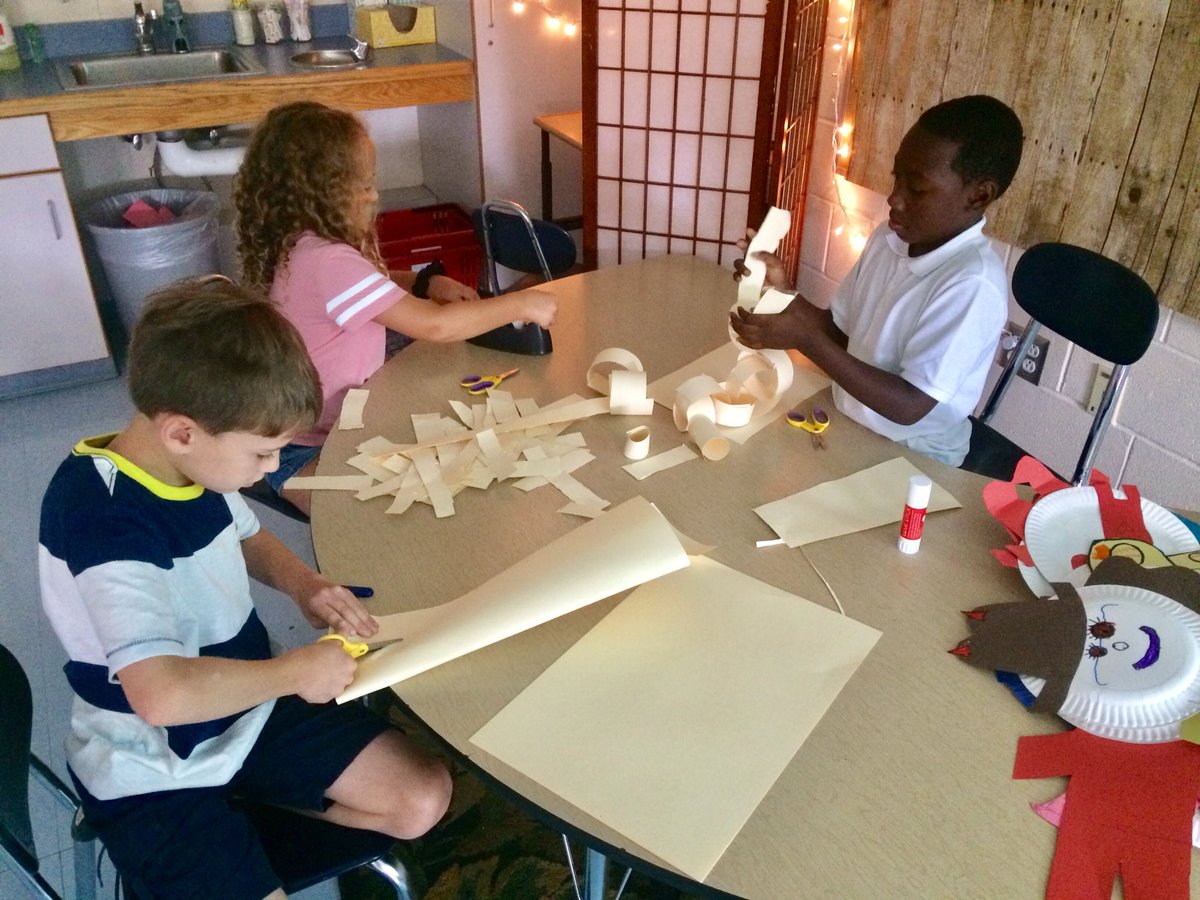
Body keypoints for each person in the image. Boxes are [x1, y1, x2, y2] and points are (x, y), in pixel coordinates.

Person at [38, 277, 452, 899]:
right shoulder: (106, 521)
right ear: (183, 431)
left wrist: (304, 585)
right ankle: (226, 824)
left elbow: (244, 532)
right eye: (263, 454)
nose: (268, 471)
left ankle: (248, 800)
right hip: (150, 760)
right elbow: (160, 698)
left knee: (421, 797)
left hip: (244, 706)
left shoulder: (189, 464)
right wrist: (294, 674)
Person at [234, 101, 558, 515]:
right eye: (364, 184)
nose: (374, 196)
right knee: (390, 516)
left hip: (332, 425)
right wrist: (521, 303)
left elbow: (369, 283)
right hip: (304, 449)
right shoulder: (327, 261)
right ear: (324, 192)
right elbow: (436, 326)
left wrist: (425, 281)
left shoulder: (300, 243)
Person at [731, 94, 1024, 467]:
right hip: (854, 421)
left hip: (916, 457)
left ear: (979, 195)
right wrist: (783, 290)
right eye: (896, 177)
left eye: (916, 188)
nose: (894, 198)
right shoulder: (889, 239)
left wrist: (803, 339)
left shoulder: (972, 285)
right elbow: (839, 332)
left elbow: (907, 406)